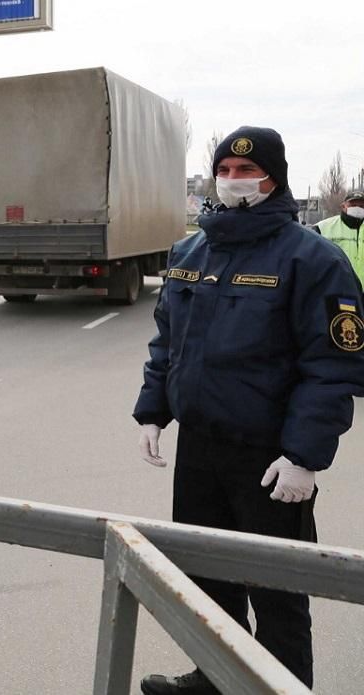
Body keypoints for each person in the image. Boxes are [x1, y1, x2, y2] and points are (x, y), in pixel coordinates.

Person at [133, 126, 364, 694]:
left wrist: (304, 456)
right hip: (201, 450)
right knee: (206, 577)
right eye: (227, 171)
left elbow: (332, 365)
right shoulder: (190, 250)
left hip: (270, 460)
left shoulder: (314, 259)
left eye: (248, 171)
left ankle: (280, 687)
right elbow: (168, 341)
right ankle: (214, 676)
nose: (235, 180)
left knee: (278, 593)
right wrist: (152, 409)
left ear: (274, 178)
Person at [312, 189, 364, 281]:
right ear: (343, 206)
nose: (357, 209)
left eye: (361, 206)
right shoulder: (322, 228)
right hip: (337, 290)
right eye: (353, 205)